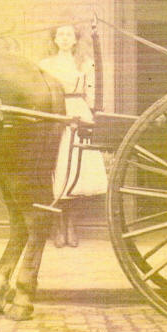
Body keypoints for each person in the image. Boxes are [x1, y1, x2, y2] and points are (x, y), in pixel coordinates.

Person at [38, 24, 108, 248]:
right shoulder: (46, 65)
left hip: (78, 112)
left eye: (69, 34)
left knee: (78, 169)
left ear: (75, 39)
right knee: (58, 169)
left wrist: (90, 117)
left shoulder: (85, 64)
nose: (65, 38)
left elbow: (90, 93)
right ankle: (57, 226)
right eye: (61, 34)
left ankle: (71, 226)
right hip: (56, 113)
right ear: (55, 39)